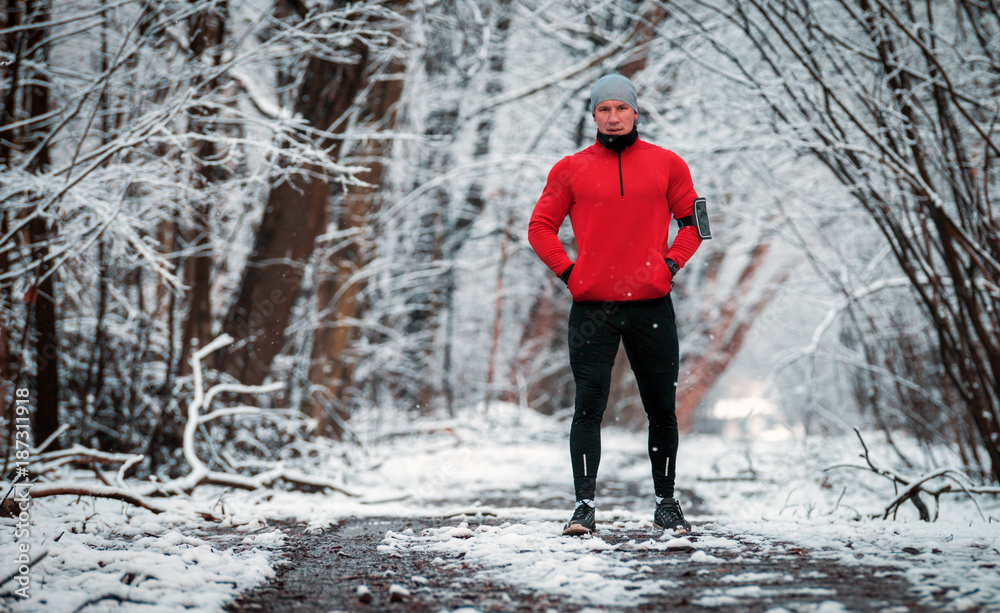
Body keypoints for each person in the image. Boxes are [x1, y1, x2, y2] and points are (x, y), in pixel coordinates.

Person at [528, 73, 709, 536]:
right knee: (588, 407)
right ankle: (583, 508)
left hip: (651, 305)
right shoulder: (569, 169)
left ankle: (666, 504)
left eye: (621, 108)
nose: (613, 117)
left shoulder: (668, 164)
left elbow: (696, 225)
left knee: (661, 408)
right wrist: (571, 274)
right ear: (593, 115)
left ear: (635, 112)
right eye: (604, 109)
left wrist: (668, 266)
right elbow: (540, 228)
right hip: (594, 310)